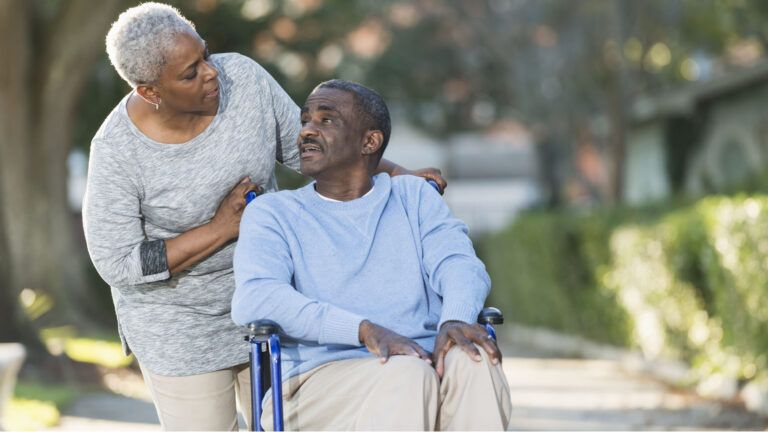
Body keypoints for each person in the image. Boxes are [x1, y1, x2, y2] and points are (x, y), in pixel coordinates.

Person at [82, 3, 446, 430]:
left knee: (296, 422)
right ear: (150, 91)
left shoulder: (244, 80)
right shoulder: (116, 152)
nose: (210, 72)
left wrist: (402, 176)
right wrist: (220, 229)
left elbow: (312, 147)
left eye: (205, 56)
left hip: (271, 300)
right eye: (189, 73)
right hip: (181, 327)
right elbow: (118, 261)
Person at [232, 79, 512, 430]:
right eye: (305, 121)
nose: (306, 131)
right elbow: (257, 297)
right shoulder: (274, 212)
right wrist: (362, 330)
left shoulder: (414, 197)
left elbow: (459, 264)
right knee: (407, 374)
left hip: (422, 360)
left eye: (326, 120)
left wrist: (454, 318)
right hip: (317, 381)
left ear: (370, 141)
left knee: (475, 360)